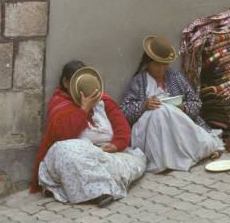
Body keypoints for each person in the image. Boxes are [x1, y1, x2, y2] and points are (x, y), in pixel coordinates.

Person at [30, 61, 146, 207]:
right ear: (66, 83)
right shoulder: (60, 104)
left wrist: (116, 145)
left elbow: (122, 129)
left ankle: (98, 188)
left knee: (132, 164)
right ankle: (100, 192)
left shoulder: (104, 101)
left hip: (105, 157)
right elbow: (63, 135)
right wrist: (84, 110)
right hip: (75, 160)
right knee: (64, 150)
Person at [120, 36, 224, 173]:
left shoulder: (175, 76)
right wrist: (144, 106)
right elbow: (124, 111)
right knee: (160, 111)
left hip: (178, 125)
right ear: (148, 63)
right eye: (157, 64)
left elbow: (196, 103)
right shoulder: (139, 82)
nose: (161, 69)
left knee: (165, 110)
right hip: (149, 129)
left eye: (165, 64)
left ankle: (190, 153)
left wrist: (182, 107)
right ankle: (166, 158)